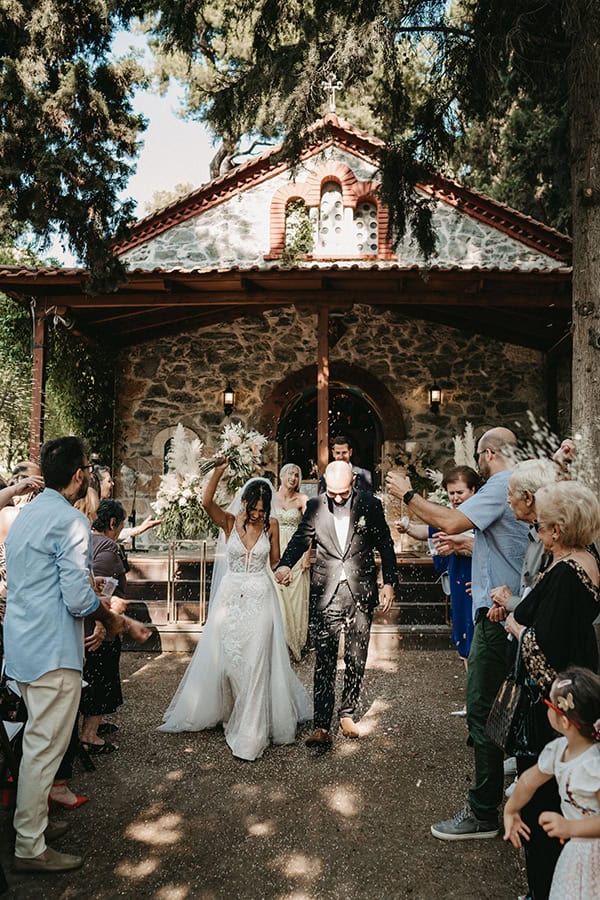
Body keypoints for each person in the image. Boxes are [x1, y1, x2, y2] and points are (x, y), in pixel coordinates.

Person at [3, 436, 150, 874]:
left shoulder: (25, 516)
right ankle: (30, 847)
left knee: (36, 741)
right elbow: (77, 599)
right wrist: (114, 621)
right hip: (53, 650)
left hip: (22, 646)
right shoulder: (70, 523)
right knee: (44, 747)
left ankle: (34, 825)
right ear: (80, 474)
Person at [387, 426, 529, 840]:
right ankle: (522, 790)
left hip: (498, 616)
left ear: (486, 455)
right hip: (519, 610)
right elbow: (500, 546)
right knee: (518, 702)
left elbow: (449, 519)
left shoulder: (499, 484)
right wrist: (467, 547)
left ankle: (484, 810)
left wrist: (408, 495)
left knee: (481, 710)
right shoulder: (522, 484)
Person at [160, 461, 312, 760]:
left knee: (256, 663)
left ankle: (251, 732)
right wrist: (218, 471)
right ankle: (231, 712)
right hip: (230, 601)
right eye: (253, 508)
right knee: (231, 663)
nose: (257, 514)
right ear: (244, 503)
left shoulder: (273, 525)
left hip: (260, 600)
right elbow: (206, 502)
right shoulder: (229, 522)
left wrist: (283, 572)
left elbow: (275, 562)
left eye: (261, 509)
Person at [504, 480, 600, 899]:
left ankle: (545, 888)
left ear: (557, 531)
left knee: (548, 795)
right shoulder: (588, 558)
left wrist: (516, 630)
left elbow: (546, 647)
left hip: (556, 702)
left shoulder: (564, 574)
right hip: (578, 687)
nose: (536, 533)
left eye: (540, 526)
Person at [276, 460, 397, 747]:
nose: (338, 498)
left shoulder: (370, 504)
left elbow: (386, 544)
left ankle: (348, 713)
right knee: (324, 659)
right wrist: (284, 565)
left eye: (343, 493)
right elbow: (299, 539)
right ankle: (321, 725)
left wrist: (389, 582)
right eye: (333, 493)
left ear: (354, 481)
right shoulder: (317, 506)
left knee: (356, 656)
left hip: (361, 589)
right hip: (326, 590)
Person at [504, 667, 600, 900]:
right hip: (577, 854)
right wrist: (511, 809)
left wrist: (570, 828)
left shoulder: (593, 767)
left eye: (550, 704)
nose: (545, 706)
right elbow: (528, 781)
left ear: (565, 722)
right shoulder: (558, 751)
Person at [398, 465, 481, 666]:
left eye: (460, 492)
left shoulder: (481, 514)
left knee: (476, 633)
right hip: (458, 578)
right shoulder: (447, 517)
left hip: (477, 580)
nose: (455, 498)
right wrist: (408, 528)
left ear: (473, 490)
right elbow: (427, 531)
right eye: (451, 493)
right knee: (462, 629)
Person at [80, 499, 130, 753]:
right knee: (102, 674)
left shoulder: (87, 538)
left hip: (86, 623)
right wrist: (101, 622)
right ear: (113, 523)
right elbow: (102, 588)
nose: (121, 529)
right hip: (100, 624)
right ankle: (89, 735)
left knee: (94, 674)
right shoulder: (108, 546)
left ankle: (94, 725)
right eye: (121, 524)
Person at [273, 463, 311, 661]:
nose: (293, 478)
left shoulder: (302, 499)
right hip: (276, 549)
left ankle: (294, 645)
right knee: (278, 599)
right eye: (290, 473)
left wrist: (307, 556)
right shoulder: (271, 497)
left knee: (296, 601)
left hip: (297, 552)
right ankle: (279, 645)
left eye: (297, 475)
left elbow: (310, 528)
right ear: (281, 475)